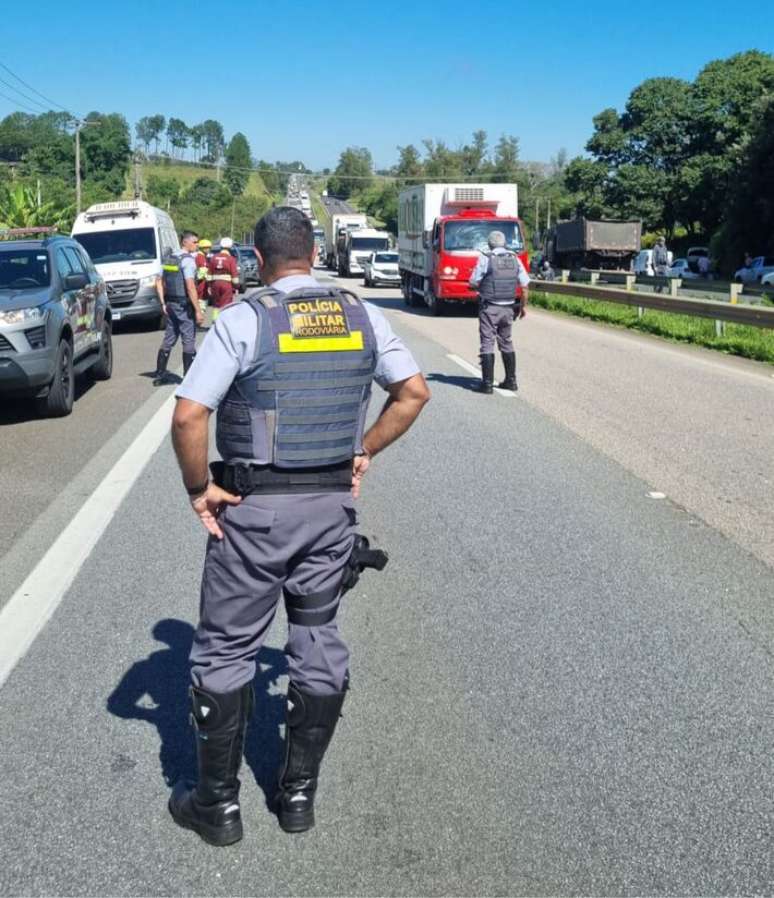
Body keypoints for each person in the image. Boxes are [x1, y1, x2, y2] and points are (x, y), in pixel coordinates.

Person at [168, 206, 430, 847]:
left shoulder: (244, 321)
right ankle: (297, 798)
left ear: (258, 260)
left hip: (255, 517)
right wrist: (363, 450)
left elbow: (189, 416)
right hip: (330, 515)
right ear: (314, 253)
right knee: (316, 640)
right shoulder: (363, 316)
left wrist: (200, 490)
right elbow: (414, 392)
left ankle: (217, 806)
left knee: (225, 649)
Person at [469, 230, 529, 394]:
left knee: (487, 342)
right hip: (509, 307)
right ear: (505, 243)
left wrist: (478, 286)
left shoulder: (486, 258)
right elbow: (524, 286)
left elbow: (473, 281)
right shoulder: (515, 258)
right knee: (506, 342)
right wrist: (523, 307)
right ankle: (511, 381)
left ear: (489, 244)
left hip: (489, 307)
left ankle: (487, 384)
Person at [153, 231, 203, 386]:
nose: (197, 245)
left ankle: (160, 374)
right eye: (195, 242)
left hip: (171, 305)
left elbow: (158, 281)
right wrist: (198, 310)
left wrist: (163, 303)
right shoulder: (188, 261)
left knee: (169, 338)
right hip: (183, 305)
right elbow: (190, 286)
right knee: (188, 339)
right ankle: (188, 379)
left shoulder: (169, 258)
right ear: (185, 242)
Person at [207, 237, 240, 320]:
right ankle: (224, 321)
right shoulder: (231, 259)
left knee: (216, 304)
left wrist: (209, 286)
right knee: (226, 304)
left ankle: (215, 320)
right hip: (226, 284)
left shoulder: (214, 258)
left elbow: (209, 273)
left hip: (215, 284)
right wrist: (236, 287)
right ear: (230, 247)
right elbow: (234, 276)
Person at [194, 238, 212, 328]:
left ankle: (197, 325)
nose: (208, 249)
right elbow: (200, 274)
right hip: (200, 287)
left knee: (202, 305)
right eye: (206, 247)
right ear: (202, 248)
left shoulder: (203, 257)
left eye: (209, 247)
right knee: (201, 306)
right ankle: (197, 325)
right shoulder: (200, 258)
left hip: (203, 287)